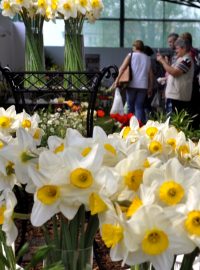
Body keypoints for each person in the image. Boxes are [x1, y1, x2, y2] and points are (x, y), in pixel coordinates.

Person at [113, 40, 153, 124]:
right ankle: (139, 126)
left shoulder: (130, 55)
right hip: (143, 86)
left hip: (132, 85)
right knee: (139, 107)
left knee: (130, 106)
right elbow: (151, 75)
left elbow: (122, 68)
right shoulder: (147, 58)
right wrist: (150, 87)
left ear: (135, 47)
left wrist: (117, 80)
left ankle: (129, 125)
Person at [156, 37, 194, 113]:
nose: (175, 51)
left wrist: (162, 61)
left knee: (173, 122)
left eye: (177, 48)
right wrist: (166, 63)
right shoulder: (181, 59)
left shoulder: (187, 60)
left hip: (178, 97)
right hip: (175, 96)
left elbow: (175, 73)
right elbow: (171, 72)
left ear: (184, 48)